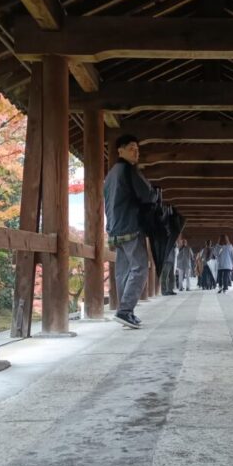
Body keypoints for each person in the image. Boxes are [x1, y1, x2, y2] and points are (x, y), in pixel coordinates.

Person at [103, 133, 157, 329]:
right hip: (130, 227)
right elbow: (147, 194)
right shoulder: (128, 170)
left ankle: (125, 311)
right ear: (120, 150)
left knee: (123, 271)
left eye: (137, 149)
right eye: (131, 148)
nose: (136, 152)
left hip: (115, 229)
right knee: (140, 268)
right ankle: (125, 310)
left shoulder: (111, 174)